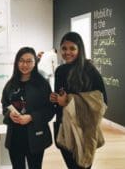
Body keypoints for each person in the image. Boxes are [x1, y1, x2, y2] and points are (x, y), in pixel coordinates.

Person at [50, 32, 107, 169]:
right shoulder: (60, 71)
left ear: (79, 49)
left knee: (83, 166)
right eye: (64, 48)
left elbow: (102, 102)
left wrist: (69, 100)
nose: (67, 52)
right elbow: (60, 99)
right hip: (63, 127)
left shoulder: (89, 70)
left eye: (72, 48)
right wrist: (55, 99)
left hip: (85, 129)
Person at [1, 47, 54, 169]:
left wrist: (31, 117)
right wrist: (9, 114)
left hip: (35, 137)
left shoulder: (42, 84)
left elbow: (50, 110)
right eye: (21, 61)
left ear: (35, 62)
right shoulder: (11, 84)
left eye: (29, 61)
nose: (25, 65)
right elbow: (4, 105)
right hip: (15, 137)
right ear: (16, 62)